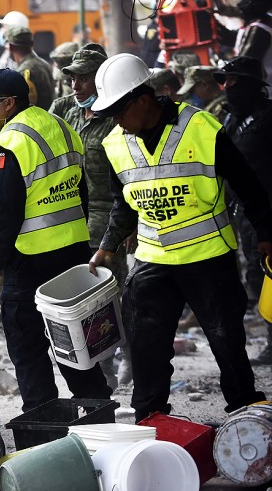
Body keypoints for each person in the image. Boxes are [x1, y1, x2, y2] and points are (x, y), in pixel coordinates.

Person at [89, 53, 270, 421]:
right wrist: (108, 246)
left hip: (208, 257)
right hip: (154, 259)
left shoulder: (203, 128)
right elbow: (122, 204)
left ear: (143, 100)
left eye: (119, 112)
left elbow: (248, 185)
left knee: (226, 342)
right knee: (147, 345)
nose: (116, 122)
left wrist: (266, 233)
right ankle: (150, 418)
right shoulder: (115, 143)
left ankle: (246, 417)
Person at [0, 69, 112, 411]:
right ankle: (97, 410)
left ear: (8, 103)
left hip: (30, 260)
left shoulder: (10, 144)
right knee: (74, 338)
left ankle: (43, 418)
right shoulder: (61, 126)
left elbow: (3, 215)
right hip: (73, 253)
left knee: (27, 345)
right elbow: (80, 191)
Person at [51, 45, 131, 388]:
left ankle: (116, 359)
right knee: (78, 298)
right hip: (71, 215)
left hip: (107, 214)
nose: (76, 85)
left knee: (108, 295)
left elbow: (129, 174)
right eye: (73, 78)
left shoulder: (115, 118)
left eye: (84, 78)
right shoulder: (67, 112)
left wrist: (131, 224)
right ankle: (93, 365)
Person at [215, 56, 272, 365]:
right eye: (225, 81)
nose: (227, 87)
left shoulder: (267, 117)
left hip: (268, 211)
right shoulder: (232, 119)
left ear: (251, 84)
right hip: (243, 214)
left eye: (234, 81)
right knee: (256, 276)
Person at [228, 0, 272, 81]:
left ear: (253, 0)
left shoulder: (259, 29)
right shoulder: (263, 23)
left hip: (262, 94)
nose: (239, 3)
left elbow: (243, 65)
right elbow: (233, 38)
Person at [5, 25, 56, 112]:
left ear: (10, 47)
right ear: (32, 44)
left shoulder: (24, 72)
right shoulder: (44, 64)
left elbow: (22, 107)